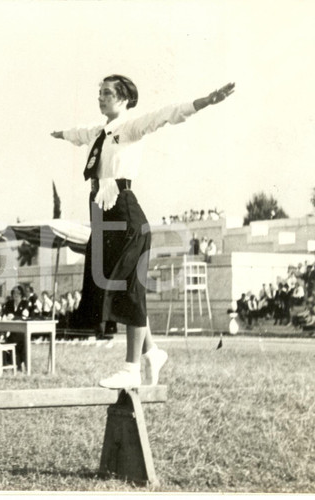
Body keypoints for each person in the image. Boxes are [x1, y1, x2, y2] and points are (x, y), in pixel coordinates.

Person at [51, 74, 235, 388]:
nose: (101, 98)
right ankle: (152, 352)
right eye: (99, 93)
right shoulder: (97, 132)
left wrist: (205, 101)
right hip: (101, 212)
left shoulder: (132, 126)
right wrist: (59, 134)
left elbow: (167, 114)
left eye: (107, 93)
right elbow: (77, 134)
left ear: (123, 98)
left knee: (128, 287)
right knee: (111, 285)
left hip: (124, 211)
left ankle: (131, 368)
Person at [0, 285, 31, 370]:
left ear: (22, 294)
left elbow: (25, 316)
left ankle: (20, 364)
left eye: (18, 293)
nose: (16, 295)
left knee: (19, 339)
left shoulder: (25, 303)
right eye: (14, 293)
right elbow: (4, 313)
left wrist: (14, 317)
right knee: (8, 340)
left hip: (22, 331)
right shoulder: (9, 303)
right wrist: (5, 316)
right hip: (12, 331)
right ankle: (14, 364)